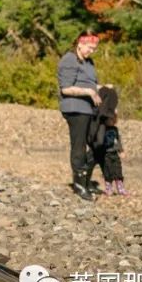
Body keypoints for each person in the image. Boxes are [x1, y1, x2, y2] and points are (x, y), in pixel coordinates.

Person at [57, 32, 106, 200]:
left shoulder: (89, 62)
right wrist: (89, 92)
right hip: (75, 108)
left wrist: (104, 88)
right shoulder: (69, 60)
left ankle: (86, 179)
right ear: (80, 43)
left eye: (94, 49)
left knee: (97, 143)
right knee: (79, 146)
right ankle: (79, 185)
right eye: (89, 48)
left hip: (90, 109)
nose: (91, 51)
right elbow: (66, 88)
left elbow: (91, 84)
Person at [94, 85, 128, 195]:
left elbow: (118, 140)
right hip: (106, 154)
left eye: (113, 120)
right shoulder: (102, 128)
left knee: (118, 170)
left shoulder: (115, 129)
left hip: (114, 153)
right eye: (110, 119)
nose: (111, 121)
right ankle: (108, 187)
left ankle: (120, 187)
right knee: (107, 171)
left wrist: (121, 150)